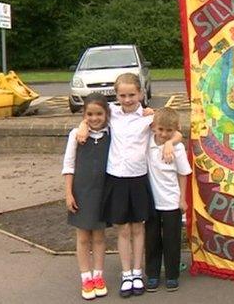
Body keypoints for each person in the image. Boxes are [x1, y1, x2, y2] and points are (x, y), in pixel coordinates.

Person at [76, 73, 181, 298]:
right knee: (123, 229)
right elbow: (92, 114)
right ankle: (126, 274)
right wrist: (83, 124)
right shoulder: (111, 112)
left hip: (138, 178)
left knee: (138, 227)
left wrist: (171, 142)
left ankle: (137, 271)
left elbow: (174, 129)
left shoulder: (148, 117)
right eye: (122, 95)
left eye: (132, 94)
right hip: (116, 178)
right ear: (116, 95)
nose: (127, 99)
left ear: (141, 94)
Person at [62, 93, 111, 300]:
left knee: (99, 237)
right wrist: (68, 193)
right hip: (81, 191)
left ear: (106, 114)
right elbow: (69, 165)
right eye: (89, 114)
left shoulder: (112, 133)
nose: (94, 118)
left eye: (99, 114)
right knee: (83, 237)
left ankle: (99, 275)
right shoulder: (76, 135)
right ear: (84, 115)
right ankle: (86, 277)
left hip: (103, 191)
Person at [145, 107, 192, 292]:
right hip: (151, 202)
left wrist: (182, 199)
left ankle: (172, 274)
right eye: (161, 130)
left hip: (171, 202)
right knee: (152, 239)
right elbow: (145, 118)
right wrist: (148, 111)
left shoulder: (177, 148)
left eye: (169, 131)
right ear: (154, 128)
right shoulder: (148, 141)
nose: (164, 134)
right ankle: (153, 274)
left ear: (176, 129)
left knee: (172, 240)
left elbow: (183, 174)